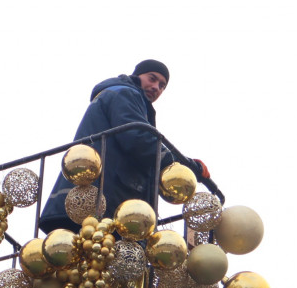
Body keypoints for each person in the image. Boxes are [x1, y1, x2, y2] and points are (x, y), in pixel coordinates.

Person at [36, 59, 211, 232]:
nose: (156, 87)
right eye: (152, 78)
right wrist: (186, 165)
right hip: (99, 199)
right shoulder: (125, 93)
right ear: (137, 76)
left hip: (94, 200)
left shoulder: (127, 97)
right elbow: (139, 141)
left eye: (162, 86)